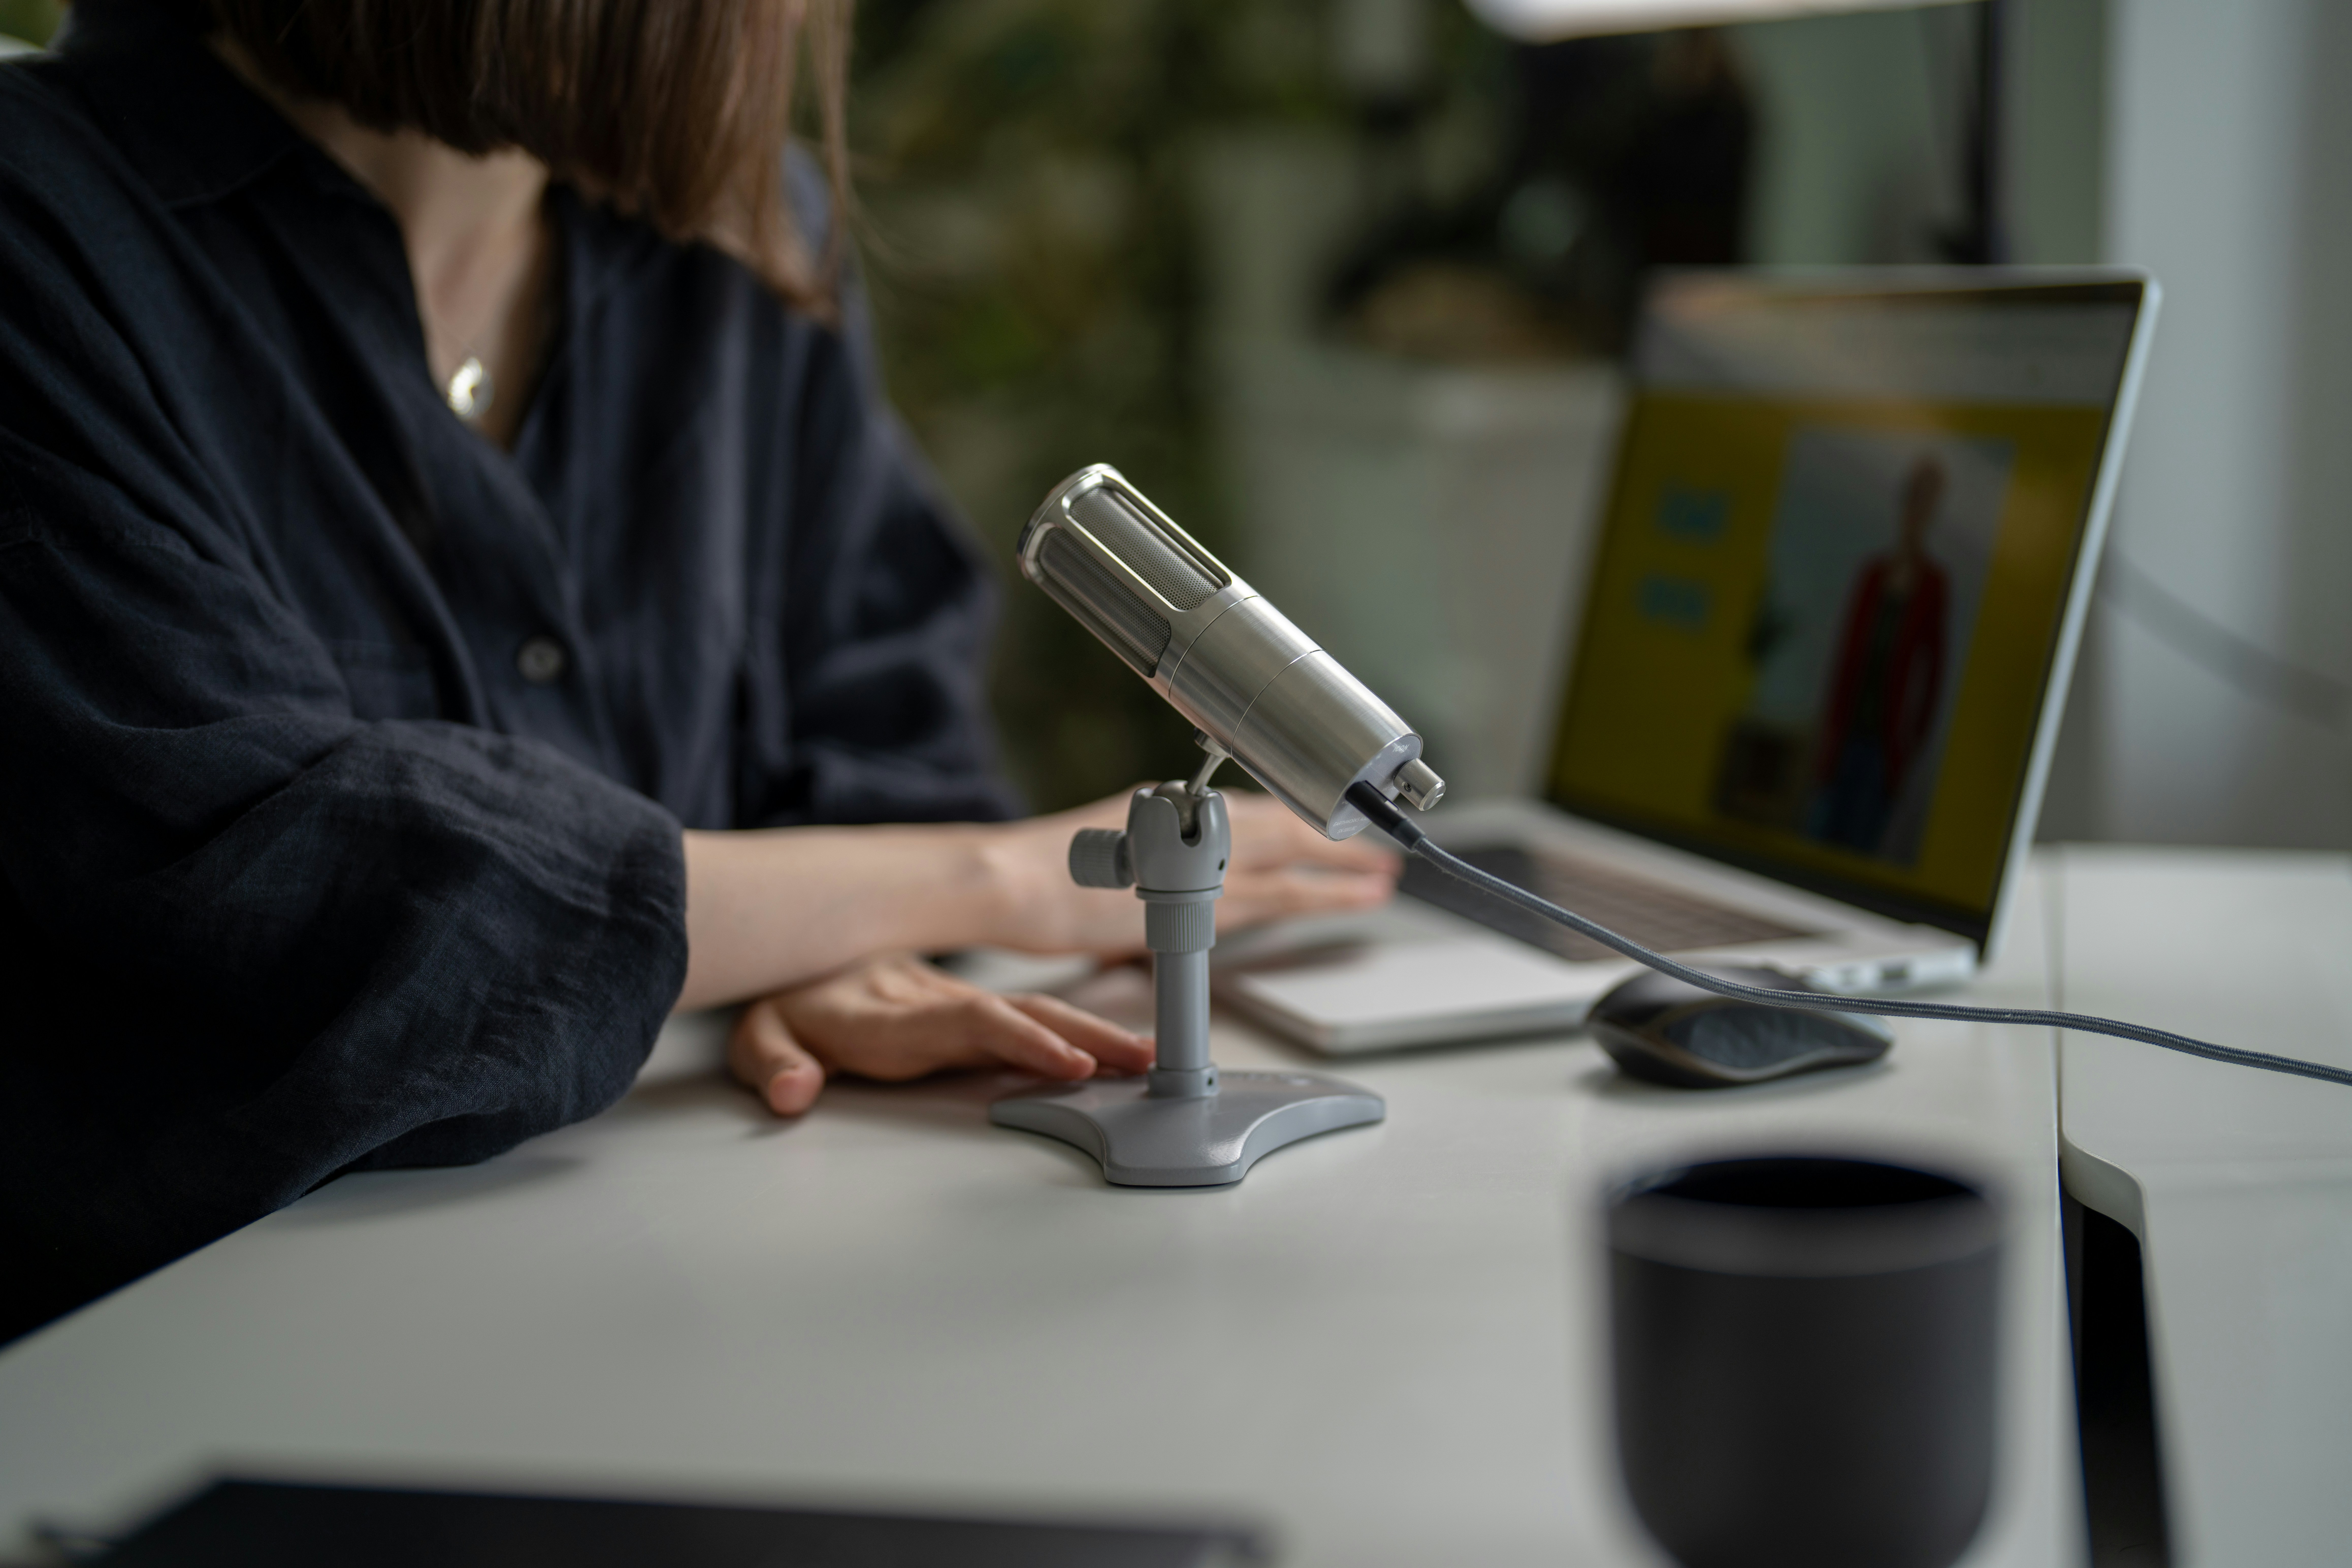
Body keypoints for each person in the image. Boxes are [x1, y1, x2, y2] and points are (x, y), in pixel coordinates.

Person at [0, 0, 1397, 1340]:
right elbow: (285, 888)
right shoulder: (46, 234)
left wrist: (823, 950)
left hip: (691, 1317)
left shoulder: (742, 233)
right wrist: (990, 878)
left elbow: (883, 722)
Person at [1806, 455, 1952, 858]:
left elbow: (1933, 677)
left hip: (1883, 748)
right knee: (1821, 834)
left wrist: (1909, 749)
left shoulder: (1934, 586)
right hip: (1847, 734)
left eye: (1925, 503)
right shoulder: (1872, 575)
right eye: (1912, 500)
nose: (1915, 511)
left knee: (1860, 843)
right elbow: (1846, 657)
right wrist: (1828, 731)